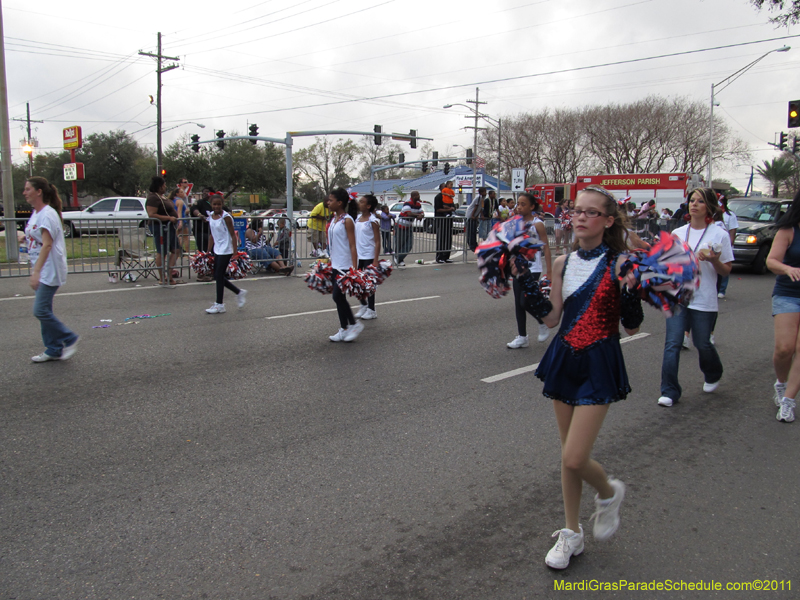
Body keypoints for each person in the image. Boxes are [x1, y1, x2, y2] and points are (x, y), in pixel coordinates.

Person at [528, 185, 642, 570]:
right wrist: (527, 289)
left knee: (575, 457)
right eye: (576, 210)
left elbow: (632, 327)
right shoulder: (562, 263)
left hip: (599, 361)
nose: (580, 217)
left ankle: (608, 493)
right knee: (568, 456)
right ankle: (571, 532)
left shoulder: (621, 263)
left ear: (608, 221)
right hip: (564, 357)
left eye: (590, 212)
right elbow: (552, 318)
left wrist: (631, 294)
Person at [658, 188, 733, 407]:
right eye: (692, 200)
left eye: (700, 201)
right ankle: (669, 391)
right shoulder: (678, 233)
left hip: (704, 297)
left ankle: (713, 372)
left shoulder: (719, 234)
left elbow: (726, 270)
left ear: (709, 206)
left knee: (702, 343)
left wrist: (713, 260)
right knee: (672, 343)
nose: (694, 204)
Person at [23, 176, 79, 362]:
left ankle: (69, 338)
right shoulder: (37, 213)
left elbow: (47, 244)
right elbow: (37, 236)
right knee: (44, 310)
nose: (24, 193)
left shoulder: (47, 214)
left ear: (39, 192)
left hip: (49, 269)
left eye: (28, 189)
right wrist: (24, 238)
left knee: (40, 311)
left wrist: (36, 272)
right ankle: (53, 349)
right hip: (42, 267)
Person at [766, 189, 800, 423]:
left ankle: (788, 400)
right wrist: (787, 268)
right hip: (788, 293)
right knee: (784, 349)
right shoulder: (789, 230)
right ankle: (781, 383)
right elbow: (771, 261)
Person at [507, 192, 553, 349]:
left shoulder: (537, 224)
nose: (519, 207)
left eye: (523, 204)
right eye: (518, 204)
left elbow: (546, 248)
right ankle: (522, 337)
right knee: (518, 304)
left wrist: (549, 271)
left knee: (525, 300)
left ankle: (542, 321)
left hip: (533, 268)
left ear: (532, 206)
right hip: (518, 267)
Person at [327, 188, 363, 342]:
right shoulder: (334, 219)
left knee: (337, 296)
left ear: (340, 203)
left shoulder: (347, 220)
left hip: (345, 265)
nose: (328, 203)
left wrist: (354, 269)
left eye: (331, 200)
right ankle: (344, 328)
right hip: (335, 264)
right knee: (338, 298)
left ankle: (354, 324)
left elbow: (353, 245)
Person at [205, 195, 247, 314]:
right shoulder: (211, 216)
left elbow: (233, 235)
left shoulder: (226, 217)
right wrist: (208, 251)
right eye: (214, 204)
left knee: (219, 275)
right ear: (211, 205)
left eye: (219, 204)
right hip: (217, 249)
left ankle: (220, 304)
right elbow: (212, 234)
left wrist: (235, 252)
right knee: (217, 276)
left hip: (226, 249)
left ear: (222, 204)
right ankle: (239, 292)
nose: (217, 206)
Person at [145, 176, 183, 285]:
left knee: (176, 250)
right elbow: (152, 214)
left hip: (170, 227)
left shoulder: (162, 197)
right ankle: (162, 277)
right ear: (159, 186)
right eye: (164, 185)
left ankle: (169, 275)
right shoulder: (153, 198)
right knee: (162, 252)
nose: (165, 187)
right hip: (160, 227)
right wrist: (168, 218)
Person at [355, 194, 381, 320]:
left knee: (369, 284)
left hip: (369, 256)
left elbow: (377, 241)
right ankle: (363, 305)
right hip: (358, 256)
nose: (359, 203)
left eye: (362, 202)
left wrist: (375, 260)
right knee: (356, 283)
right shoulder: (357, 218)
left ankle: (371, 310)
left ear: (368, 206)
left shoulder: (373, 221)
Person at [716, 196, 738, 299]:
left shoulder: (730, 215)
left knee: (724, 264)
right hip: (714, 244)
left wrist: (730, 242)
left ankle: (722, 289)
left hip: (725, 243)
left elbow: (732, 230)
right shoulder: (713, 214)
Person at [395, 191, 424, 267]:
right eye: (417, 195)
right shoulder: (408, 203)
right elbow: (409, 213)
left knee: (409, 244)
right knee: (400, 243)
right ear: (414, 196)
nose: (419, 196)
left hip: (409, 226)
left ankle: (398, 258)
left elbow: (422, 212)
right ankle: (399, 259)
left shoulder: (418, 204)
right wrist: (418, 215)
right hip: (401, 226)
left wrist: (421, 215)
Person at [435, 181, 455, 263]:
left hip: (449, 221)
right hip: (441, 220)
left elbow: (453, 207)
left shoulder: (449, 197)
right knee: (441, 239)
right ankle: (439, 257)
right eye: (445, 187)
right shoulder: (438, 197)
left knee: (448, 238)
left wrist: (452, 208)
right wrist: (448, 209)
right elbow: (438, 209)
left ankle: (446, 257)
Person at [465, 188, 486, 252]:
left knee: (474, 231)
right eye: (484, 192)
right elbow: (475, 207)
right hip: (470, 215)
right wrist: (472, 215)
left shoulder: (482, 198)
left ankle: (475, 244)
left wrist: (479, 215)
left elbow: (480, 208)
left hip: (474, 216)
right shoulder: (478, 198)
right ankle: (471, 245)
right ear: (481, 192)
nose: (486, 193)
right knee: (471, 231)